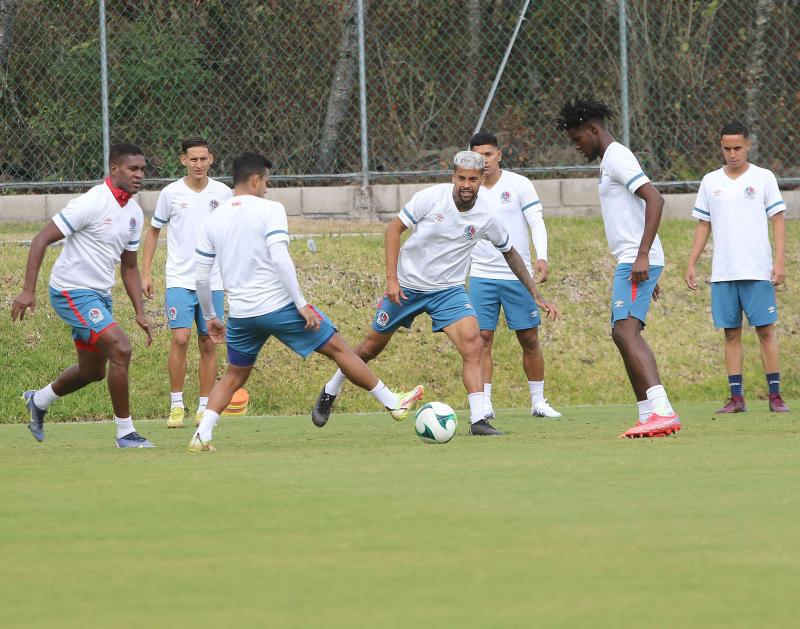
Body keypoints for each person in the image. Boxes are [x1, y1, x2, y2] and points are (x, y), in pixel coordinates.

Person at [314, 151, 560, 437]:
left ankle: (478, 420)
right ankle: (331, 390)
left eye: (473, 179)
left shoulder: (487, 216)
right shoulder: (430, 198)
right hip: (407, 286)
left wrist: (535, 294)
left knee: (473, 345)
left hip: (448, 291)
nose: (466, 184)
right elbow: (393, 230)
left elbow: (511, 253)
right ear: (453, 176)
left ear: (482, 180)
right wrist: (392, 280)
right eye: (461, 178)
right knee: (369, 348)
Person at [189, 152, 422, 452]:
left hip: (242, 315)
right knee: (339, 348)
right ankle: (394, 403)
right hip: (279, 306)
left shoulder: (213, 219)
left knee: (235, 374)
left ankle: (202, 434)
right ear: (256, 179)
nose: (268, 188)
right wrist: (300, 303)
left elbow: (201, 278)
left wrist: (210, 316)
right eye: (267, 182)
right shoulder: (270, 209)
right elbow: (280, 258)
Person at [11, 143, 155, 448]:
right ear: (114, 169)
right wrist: (27, 290)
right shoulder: (91, 202)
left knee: (93, 372)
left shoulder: (134, 213)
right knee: (122, 349)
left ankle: (38, 400)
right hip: (70, 291)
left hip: (98, 295)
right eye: (133, 169)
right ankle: (126, 433)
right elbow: (40, 240)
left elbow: (129, 267)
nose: (139, 175)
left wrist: (140, 312)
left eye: (143, 169)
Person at [556, 99, 681, 438]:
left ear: (594, 130)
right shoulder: (609, 160)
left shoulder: (618, 158)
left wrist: (643, 256)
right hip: (634, 258)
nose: (577, 146)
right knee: (620, 333)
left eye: (578, 138)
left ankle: (663, 410)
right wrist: (646, 260)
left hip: (635, 258)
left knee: (626, 332)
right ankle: (646, 414)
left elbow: (655, 199)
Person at [685, 121, 788, 413]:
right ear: (721, 147)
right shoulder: (710, 181)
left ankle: (775, 396)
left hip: (756, 270)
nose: (732, 154)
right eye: (727, 148)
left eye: (737, 148)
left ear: (748, 146)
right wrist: (691, 262)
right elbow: (704, 224)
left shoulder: (764, 178)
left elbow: (778, 221)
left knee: (765, 331)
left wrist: (779, 261)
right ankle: (737, 398)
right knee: (731, 334)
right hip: (723, 272)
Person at [468, 131, 561, 420]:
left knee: (529, 338)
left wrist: (541, 256)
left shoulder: (519, 185)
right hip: (481, 275)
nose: (483, 161)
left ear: (499, 154)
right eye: (477, 156)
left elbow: (536, 222)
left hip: (516, 276)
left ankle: (538, 402)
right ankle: (484, 404)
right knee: (482, 339)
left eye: (488, 154)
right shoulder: (467, 187)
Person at [141, 138, 232, 428]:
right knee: (180, 339)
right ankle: (177, 405)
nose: (198, 164)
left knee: (208, 341)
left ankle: (205, 407)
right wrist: (146, 273)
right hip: (179, 279)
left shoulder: (224, 193)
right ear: (183, 160)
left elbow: (233, 233)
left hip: (214, 281)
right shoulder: (170, 193)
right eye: (193, 159)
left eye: (203, 159)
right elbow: (154, 232)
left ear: (211, 159)